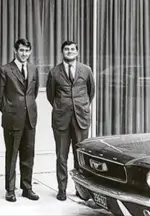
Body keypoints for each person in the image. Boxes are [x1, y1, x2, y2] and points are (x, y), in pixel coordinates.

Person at [0, 38, 40, 203]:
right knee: (12, 154)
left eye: (27, 51)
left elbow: (33, 93)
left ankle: (27, 188)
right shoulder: (5, 70)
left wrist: (28, 107)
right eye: (21, 50)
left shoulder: (33, 69)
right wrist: (8, 109)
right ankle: (10, 190)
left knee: (28, 154)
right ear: (15, 51)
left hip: (30, 118)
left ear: (30, 52)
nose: (24, 54)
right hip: (12, 119)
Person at [46, 40, 95, 201]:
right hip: (61, 119)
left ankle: (81, 189)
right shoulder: (54, 72)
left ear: (77, 52)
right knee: (61, 156)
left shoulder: (86, 70)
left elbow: (91, 92)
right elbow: (50, 95)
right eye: (66, 49)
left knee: (79, 155)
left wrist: (81, 107)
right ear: (62, 52)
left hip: (80, 118)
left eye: (72, 49)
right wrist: (63, 107)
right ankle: (62, 189)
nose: (69, 51)